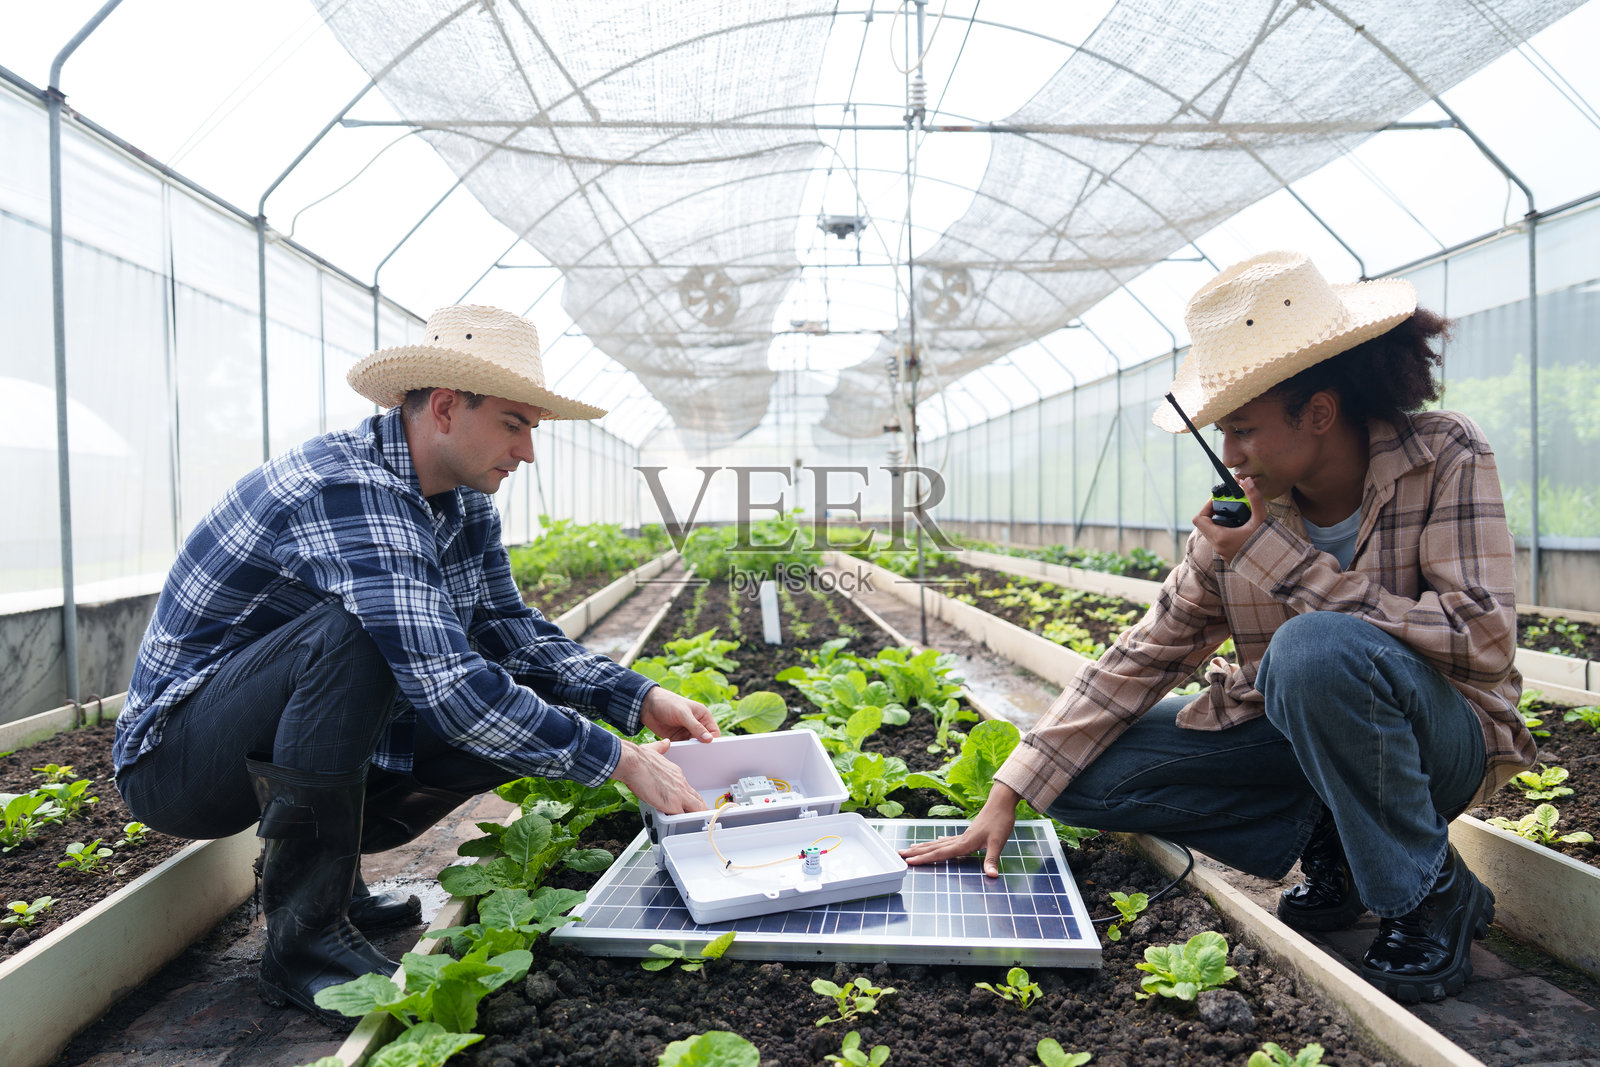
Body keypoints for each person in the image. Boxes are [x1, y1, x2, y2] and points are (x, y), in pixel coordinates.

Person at [901, 250, 1537, 1004]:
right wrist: (1011, 786)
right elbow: (1142, 653)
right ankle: (1332, 841)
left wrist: (1278, 559)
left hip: (1444, 740)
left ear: (1320, 412)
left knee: (1312, 647)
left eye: (1243, 430)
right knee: (1077, 776)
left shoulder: (1442, 455)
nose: (1230, 456)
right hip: (1304, 737)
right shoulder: (1238, 523)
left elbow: (1484, 642)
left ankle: (1431, 891)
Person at [112, 304, 718, 1020]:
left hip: (260, 747)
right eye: (515, 424)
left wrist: (635, 697)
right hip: (177, 763)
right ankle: (302, 945)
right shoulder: (349, 487)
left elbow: (506, 630)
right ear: (444, 407)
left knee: (491, 679)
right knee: (361, 634)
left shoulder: (459, 501)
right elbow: (450, 688)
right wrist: (619, 759)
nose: (527, 452)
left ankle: (336, 891)